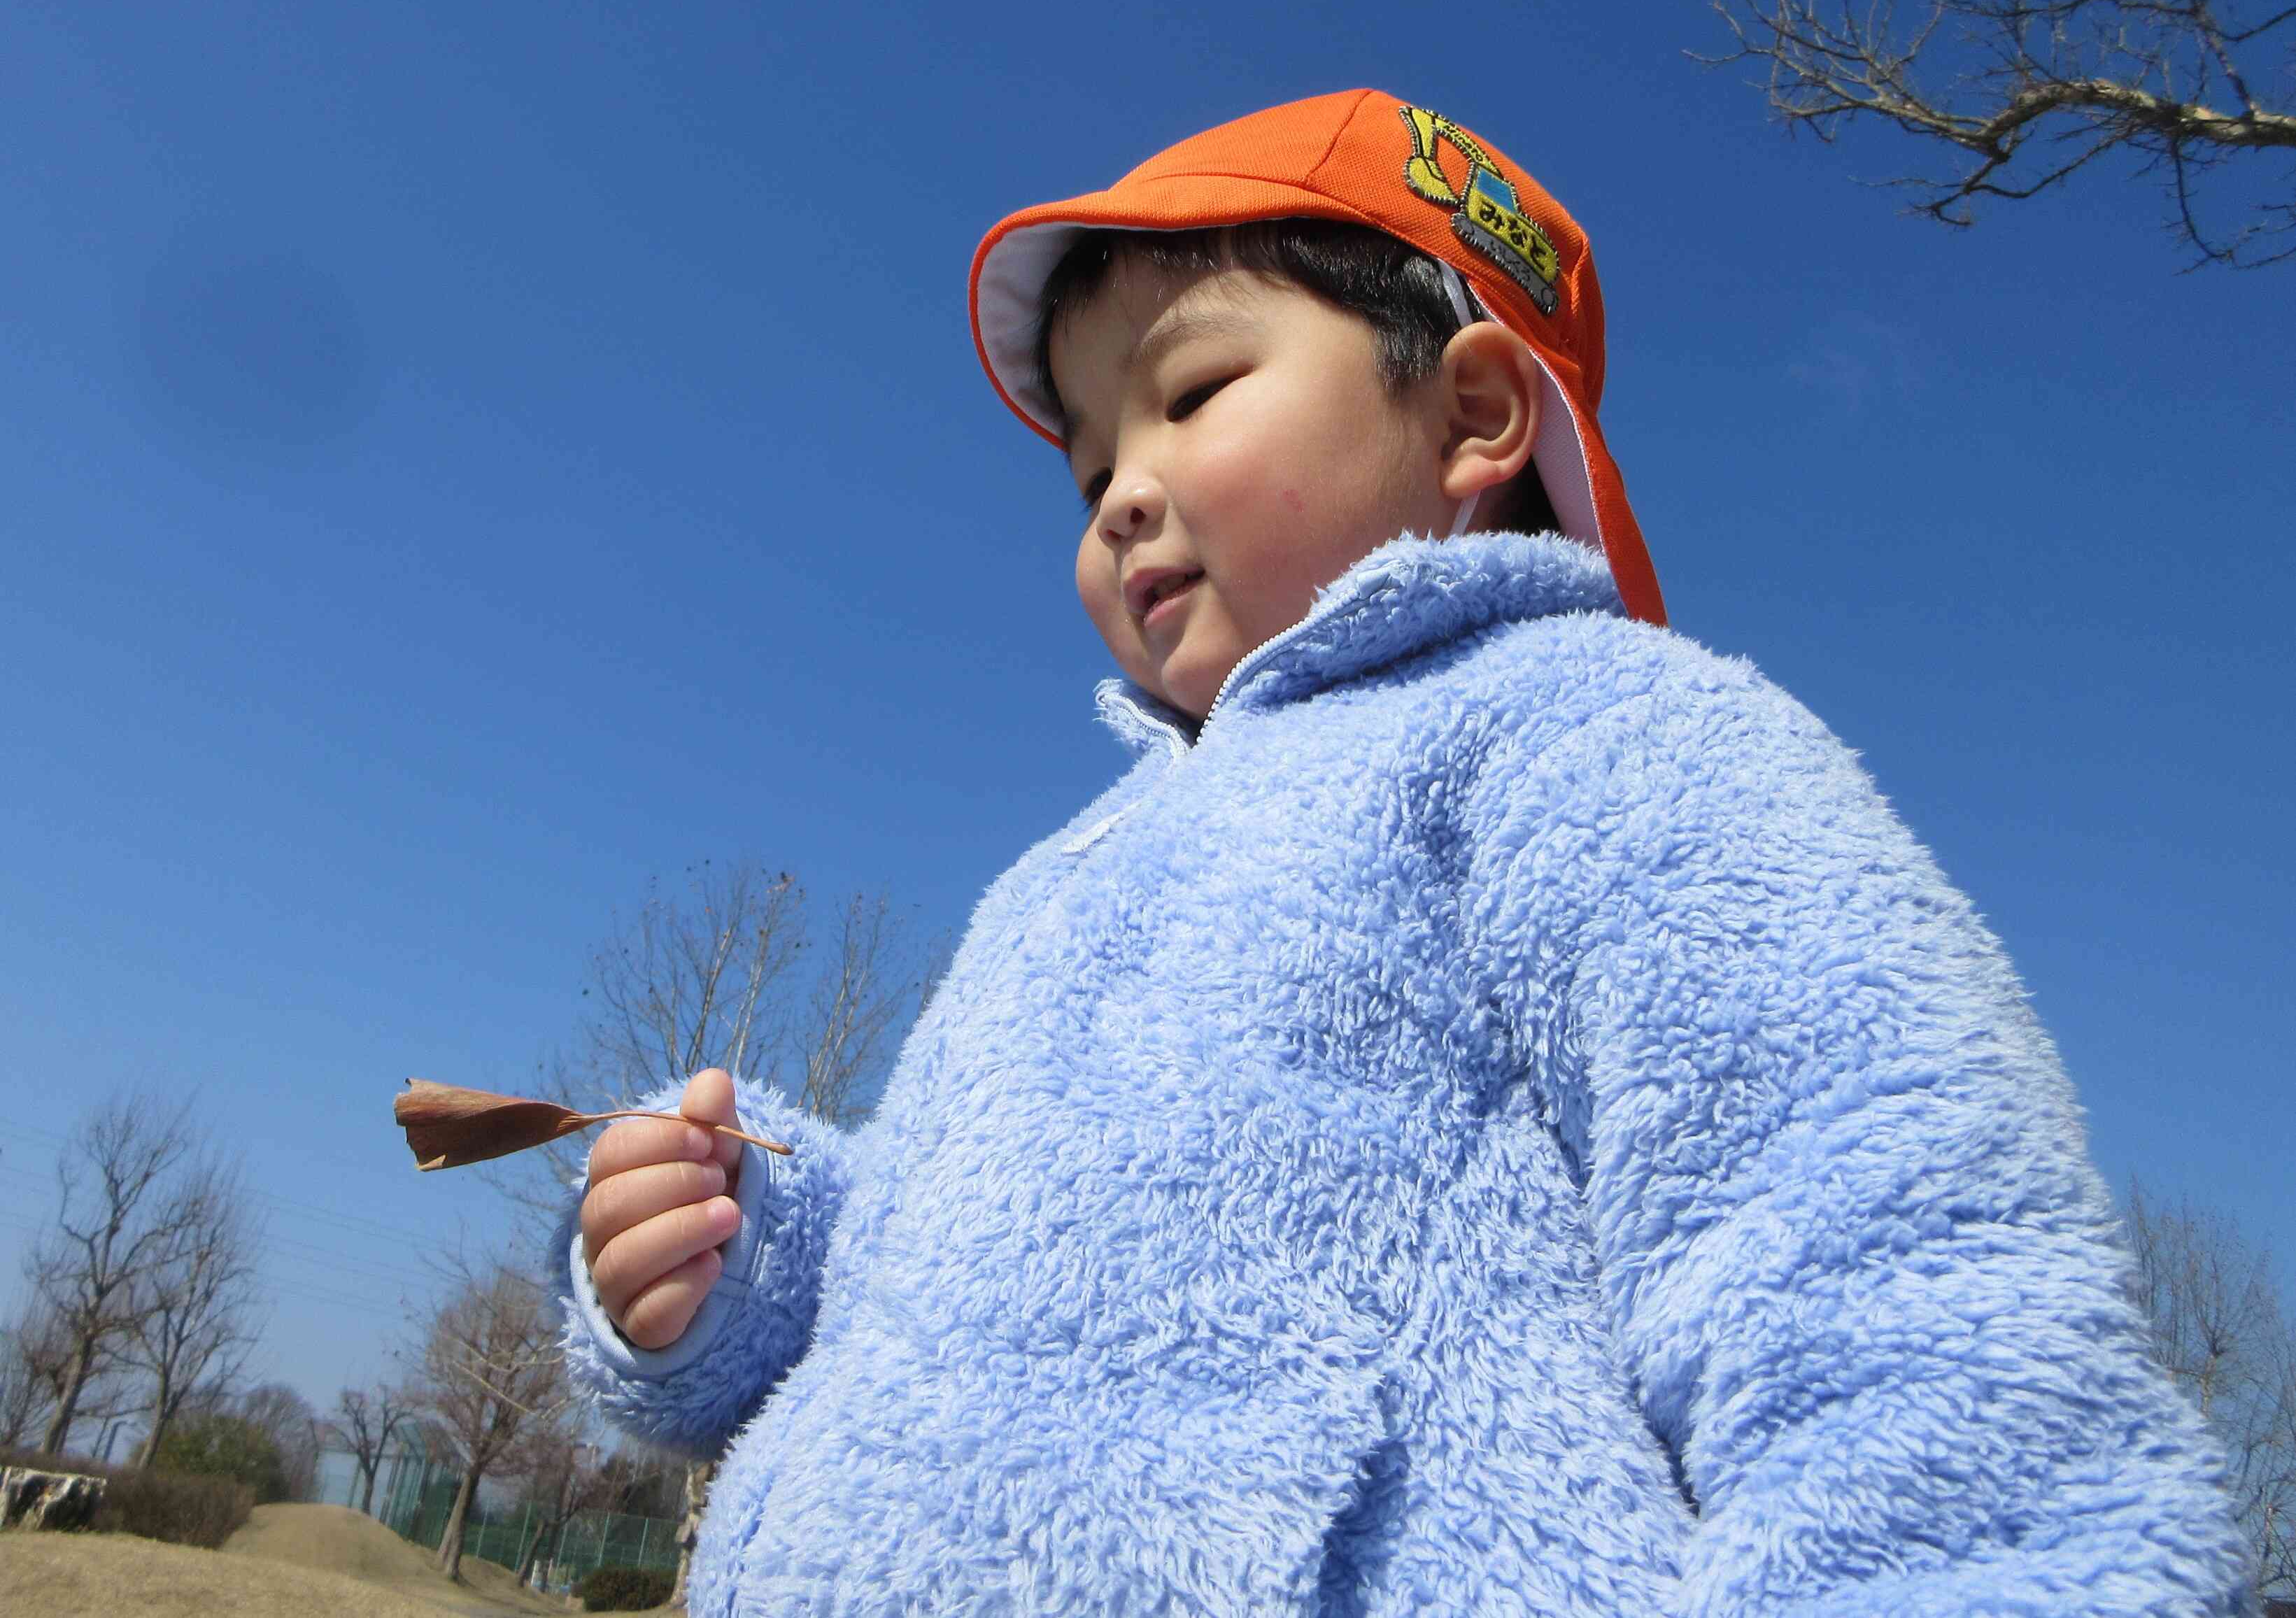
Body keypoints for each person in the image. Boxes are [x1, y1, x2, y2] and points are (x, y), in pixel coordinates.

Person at [558, 90, 2252, 1615]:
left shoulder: (1595, 737)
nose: (1120, 498)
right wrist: (735, 1246)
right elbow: (928, 1260)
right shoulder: (1059, 883)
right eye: (1085, 472)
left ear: (1474, 412)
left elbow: (1885, 1258)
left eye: (1194, 392)